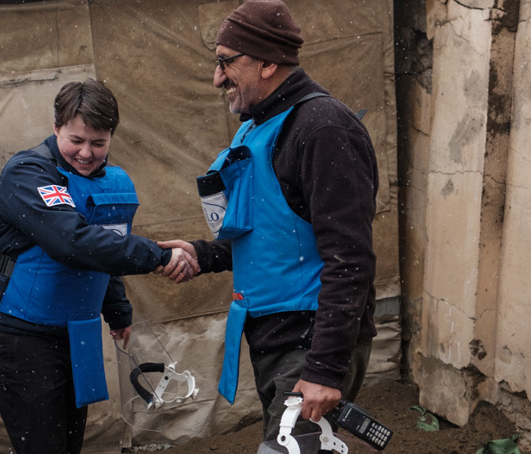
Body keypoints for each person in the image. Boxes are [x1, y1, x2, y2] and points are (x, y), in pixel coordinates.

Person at [157, 0, 379, 443]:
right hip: (272, 335)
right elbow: (264, 232)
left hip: (310, 337)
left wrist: (324, 368)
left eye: (226, 62)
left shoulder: (322, 129)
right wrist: (201, 254)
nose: (216, 77)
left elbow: (350, 259)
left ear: (268, 63)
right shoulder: (255, 128)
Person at [0, 80, 196, 453]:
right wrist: (158, 256)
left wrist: (118, 311)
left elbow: (103, 252)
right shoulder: (28, 174)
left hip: (73, 332)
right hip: (16, 333)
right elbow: (73, 243)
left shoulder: (106, 182)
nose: (87, 154)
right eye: (76, 140)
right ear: (56, 127)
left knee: (68, 443)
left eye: (99, 142)